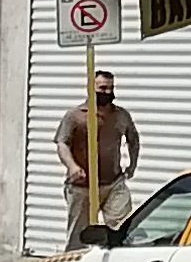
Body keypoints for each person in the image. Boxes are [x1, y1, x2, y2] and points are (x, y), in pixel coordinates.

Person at [60, 72, 140, 245]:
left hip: (113, 183)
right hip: (82, 187)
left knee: (123, 227)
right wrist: (72, 166)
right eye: (102, 88)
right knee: (79, 236)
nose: (107, 92)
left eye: (111, 88)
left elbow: (133, 139)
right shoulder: (75, 116)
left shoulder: (121, 115)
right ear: (91, 88)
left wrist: (132, 165)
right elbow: (62, 144)